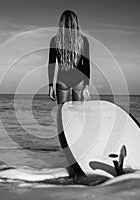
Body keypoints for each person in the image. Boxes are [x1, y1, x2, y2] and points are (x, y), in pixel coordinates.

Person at [47, 10, 90, 178]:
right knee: (80, 117)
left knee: (62, 118)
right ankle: (80, 148)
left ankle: (66, 150)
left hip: (62, 81)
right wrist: (86, 86)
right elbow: (87, 65)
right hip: (79, 81)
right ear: (75, 23)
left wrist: (51, 85)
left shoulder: (55, 40)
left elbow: (51, 65)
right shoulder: (83, 40)